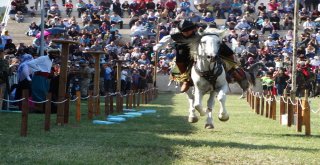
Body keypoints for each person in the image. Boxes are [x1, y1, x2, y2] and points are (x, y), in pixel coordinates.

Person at [153, 20, 201, 92]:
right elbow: (167, 39)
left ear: (192, 29)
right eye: (184, 31)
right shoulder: (176, 35)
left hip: (196, 52)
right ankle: (185, 80)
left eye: (188, 31)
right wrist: (158, 46)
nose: (186, 32)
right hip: (182, 53)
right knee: (179, 57)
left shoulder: (198, 35)